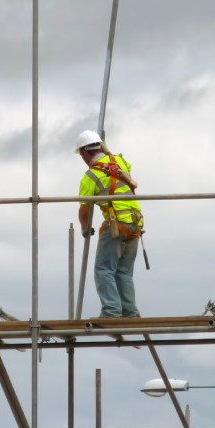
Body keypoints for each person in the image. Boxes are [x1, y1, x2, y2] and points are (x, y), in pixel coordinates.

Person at [75, 130, 144, 318]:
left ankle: (111, 311)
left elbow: (84, 210)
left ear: (84, 152)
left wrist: (84, 229)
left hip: (117, 225)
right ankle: (129, 313)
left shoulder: (90, 176)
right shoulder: (121, 162)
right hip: (135, 223)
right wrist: (108, 153)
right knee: (124, 272)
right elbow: (121, 167)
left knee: (104, 269)